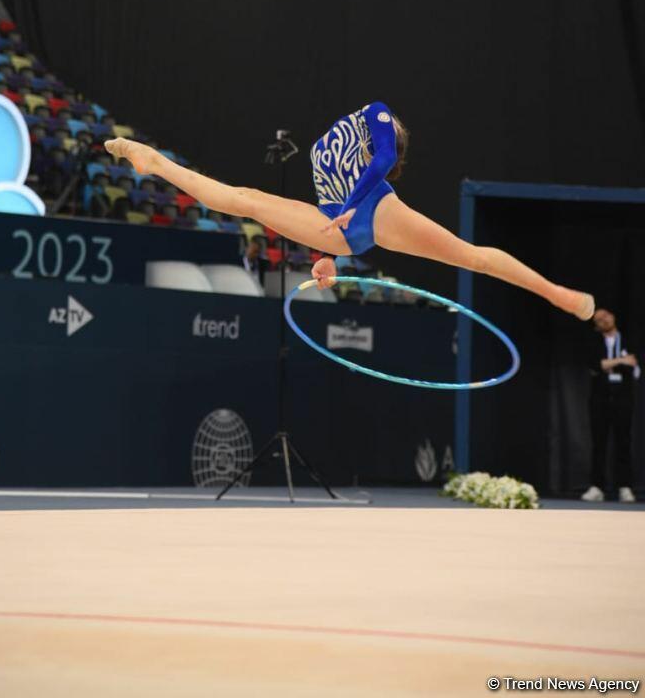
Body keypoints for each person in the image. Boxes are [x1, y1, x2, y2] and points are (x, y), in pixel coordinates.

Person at [105, 100, 594, 320]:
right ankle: (154, 162)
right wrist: (328, 258)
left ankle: (557, 294)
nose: (390, 131)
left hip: (376, 209)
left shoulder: (380, 125)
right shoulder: (346, 137)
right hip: (339, 220)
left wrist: (353, 210)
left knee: (470, 257)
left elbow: (382, 160)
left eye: (393, 137)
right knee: (246, 199)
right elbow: (330, 206)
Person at [581, 308, 640, 503]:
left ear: (613, 316)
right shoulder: (594, 342)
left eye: (605, 316)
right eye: (599, 319)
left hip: (623, 398)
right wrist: (621, 360)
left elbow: (633, 365)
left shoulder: (628, 340)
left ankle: (625, 486)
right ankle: (597, 486)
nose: (604, 320)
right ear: (596, 326)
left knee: (623, 442)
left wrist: (610, 363)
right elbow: (596, 365)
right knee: (599, 443)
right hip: (600, 398)